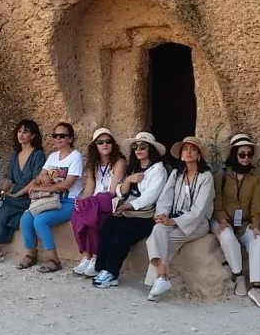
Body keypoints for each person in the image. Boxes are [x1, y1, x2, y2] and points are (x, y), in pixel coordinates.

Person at [90, 132, 168, 288]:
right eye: (135, 146)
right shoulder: (135, 167)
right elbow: (120, 190)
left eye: (143, 146)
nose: (138, 149)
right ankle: (101, 268)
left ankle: (111, 273)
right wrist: (128, 180)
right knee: (107, 227)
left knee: (121, 234)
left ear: (150, 149)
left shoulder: (159, 171)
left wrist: (126, 206)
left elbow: (150, 197)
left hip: (144, 216)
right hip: (127, 212)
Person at [143, 136, 214, 301]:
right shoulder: (177, 174)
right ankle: (162, 278)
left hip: (196, 224)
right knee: (158, 230)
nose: (188, 152)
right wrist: (162, 215)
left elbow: (199, 210)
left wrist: (173, 222)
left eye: (193, 149)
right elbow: (166, 197)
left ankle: (159, 281)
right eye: (185, 149)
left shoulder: (206, 177)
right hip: (173, 217)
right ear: (181, 154)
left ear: (199, 155)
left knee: (166, 241)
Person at [0, 120, 46, 265]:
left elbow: (35, 181)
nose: (21, 134)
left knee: (4, 205)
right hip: (15, 195)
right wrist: (2, 191)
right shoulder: (15, 155)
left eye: (25, 132)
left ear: (32, 136)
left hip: (30, 196)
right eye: (19, 131)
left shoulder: (38, 155)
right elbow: (10, 179)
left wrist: (16, 195)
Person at [17, 122, 84, 273]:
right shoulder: (53, 157)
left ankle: (53, 259)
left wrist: (42, 186)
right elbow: (41, 174)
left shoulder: (76, 157)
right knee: (26, 217)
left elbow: (67, 184)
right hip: (50, 199)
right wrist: (43, 177)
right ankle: (30, 254)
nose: (58, 138)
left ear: (70, 138)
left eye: (62, 135)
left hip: (69, 201)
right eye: (55, 135)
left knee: (41, 220)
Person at [213, 133, 260, 308]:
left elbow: (258, 206)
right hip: (223, 219)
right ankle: (239, 277)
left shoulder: (256, 177)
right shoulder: (222, 175)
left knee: (258, 240)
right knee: (227, 236)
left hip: (244, 222)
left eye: (249, 154)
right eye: (242, 154)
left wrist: (257, 226)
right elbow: (217, 202)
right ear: (234, 154)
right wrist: (223, 219)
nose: (246, 158)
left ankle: (257, 287)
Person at [71, 128, 126, 277]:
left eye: (108, 141)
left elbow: (113, 191)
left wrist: (88, 203)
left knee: (92, 215)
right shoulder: (92, 165)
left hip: (109, 200)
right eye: (100, 142)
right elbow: (88, 190)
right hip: (95, 201)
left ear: (113, 144)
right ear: (95, 145)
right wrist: (81, 201)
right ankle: (86, 256)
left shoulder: (119, 162)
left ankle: (96, 257)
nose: (105, 145)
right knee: (77, 214)